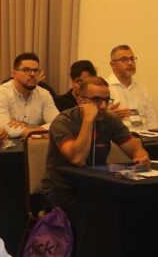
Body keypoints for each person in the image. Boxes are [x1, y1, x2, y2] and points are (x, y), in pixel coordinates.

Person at [42, 77, 150, 209]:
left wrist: (141, 157)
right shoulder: (63, 122)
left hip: (96, 185)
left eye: (107, 100)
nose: (104, 106)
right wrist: (88, 120)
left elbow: (136, 149)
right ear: (81, 100)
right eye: (97, 100)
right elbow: (77, 158)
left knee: (135, 205)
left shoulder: (110, 120)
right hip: (63, 190)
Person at [0, 52, 59, 137]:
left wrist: (30, 129)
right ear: (14, 74)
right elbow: (3, 128)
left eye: (35, 70)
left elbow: (58, 123)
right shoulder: (0, 93)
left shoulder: (44, 94)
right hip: (4, 144)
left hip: (33, 142)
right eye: (27, 70)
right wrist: (37, 130)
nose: (32, 74)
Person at [106, 44, 158, 130]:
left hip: (144, 136)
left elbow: (152, 121)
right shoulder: (105, 88)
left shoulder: (141, 89)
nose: (130, 63)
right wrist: (107, 116)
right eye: (124, 59)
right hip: (119, 137)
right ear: (113, 65)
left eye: (132, 59)